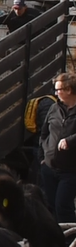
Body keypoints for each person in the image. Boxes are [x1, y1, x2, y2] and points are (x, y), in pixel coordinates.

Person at [39, 72, 76, 223]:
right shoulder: (54, 108)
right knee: (51, 206)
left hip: (70, 170)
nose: (55, 93)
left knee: (63, 206)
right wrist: (42, 158)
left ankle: (70, 240)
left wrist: (70, 140)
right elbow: (43, 133)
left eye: (58, 89)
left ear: (69, 90)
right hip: (49, 167)